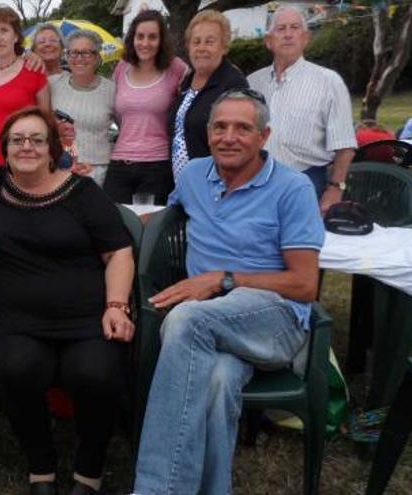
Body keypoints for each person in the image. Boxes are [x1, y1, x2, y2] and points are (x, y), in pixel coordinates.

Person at [132, 90, 324, 494]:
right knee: (217, 382)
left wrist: (224, 279)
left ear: (263, 136)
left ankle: (156, 489)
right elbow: (162, 219)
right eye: (220, 127)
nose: (229, 137)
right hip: (212, 327)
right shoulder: (194, 176)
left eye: (243, 128)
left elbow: (305, 285)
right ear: (208, 132)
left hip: (275, 320)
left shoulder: (293, 190)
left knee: (185, 317)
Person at [0, 107, 135, 495]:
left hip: (88, 318)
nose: (26, 147)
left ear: (53, 148)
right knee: (17, 370)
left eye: (36, 139)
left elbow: (118, 251)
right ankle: (41, 467)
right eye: (17, 140)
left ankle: (89, 471)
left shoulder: (83, 193)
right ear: (5, 149)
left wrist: (116, 306)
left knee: (95, 374)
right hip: (20, 322)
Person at [247, 6, 356, 213]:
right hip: (255, 182)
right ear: (268, 41)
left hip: (306, 181)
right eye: (280, 29)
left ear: (306, 38)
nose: (288, 34)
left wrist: (335, 189)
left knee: (299, 244)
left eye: (295, 28)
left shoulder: (329, 82)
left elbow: (345, 145)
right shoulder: (252, 83)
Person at [105, 10, 188, 204]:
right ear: (132, 38)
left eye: (152, 37)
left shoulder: (176, 68)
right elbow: (117, 113)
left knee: (148, 229)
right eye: (139, 36)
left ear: (161, 40)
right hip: (120, 161)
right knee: (115, 225)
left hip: (157, 165)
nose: (145, 43)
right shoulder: (122, 67)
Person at [169, 10, 248, 184]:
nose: (201, 48)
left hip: (214, 185)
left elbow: (238, 141)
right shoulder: (186, 81)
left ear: (224, 46)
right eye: (196, 42)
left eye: (210, 42)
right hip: (182, 185)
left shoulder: (233, 84)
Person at [0, 6, 50, 174]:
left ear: (16, 36)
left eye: (4, 31)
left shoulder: (34, 70)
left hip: (23, 160)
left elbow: (47, 121)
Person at [50, 30, 116, 185]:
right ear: (67, 56)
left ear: (97, 57)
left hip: (98, 172)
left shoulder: (112, 90)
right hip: (61, 168)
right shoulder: (52, 84)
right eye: (73, 53)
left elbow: (124, 127)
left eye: (86, 53)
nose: (79, 58)